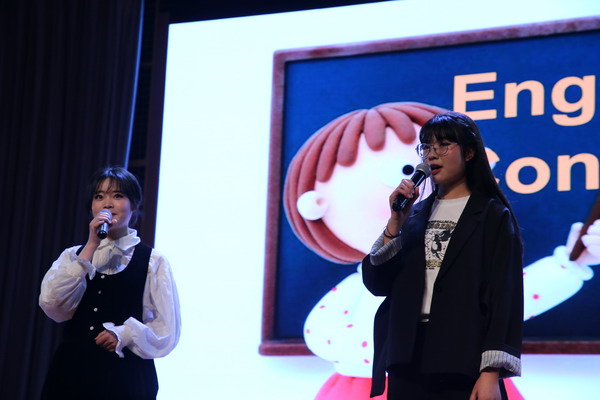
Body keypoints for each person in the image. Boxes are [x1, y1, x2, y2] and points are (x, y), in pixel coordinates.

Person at [362, 111, 523, 400]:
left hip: (461, 358)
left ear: (469, 153)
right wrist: (395, 223)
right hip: (406, 358)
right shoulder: (413, 216)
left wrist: (490, 373)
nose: (431, 154)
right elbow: (377, 284)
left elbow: (504, 297)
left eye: (443, 145)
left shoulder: (491, 215)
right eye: (426, 147)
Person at [39, 166, 181, 400]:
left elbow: (166, 330)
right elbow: (53, 305)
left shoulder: (153, 261)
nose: (107, 204)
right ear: (91, 207)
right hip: (72, 373)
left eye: (117, 195)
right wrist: (90, 246)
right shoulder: (73, 256)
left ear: (133, 205)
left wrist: (124, 333)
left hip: (125, 377)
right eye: (99, 196)